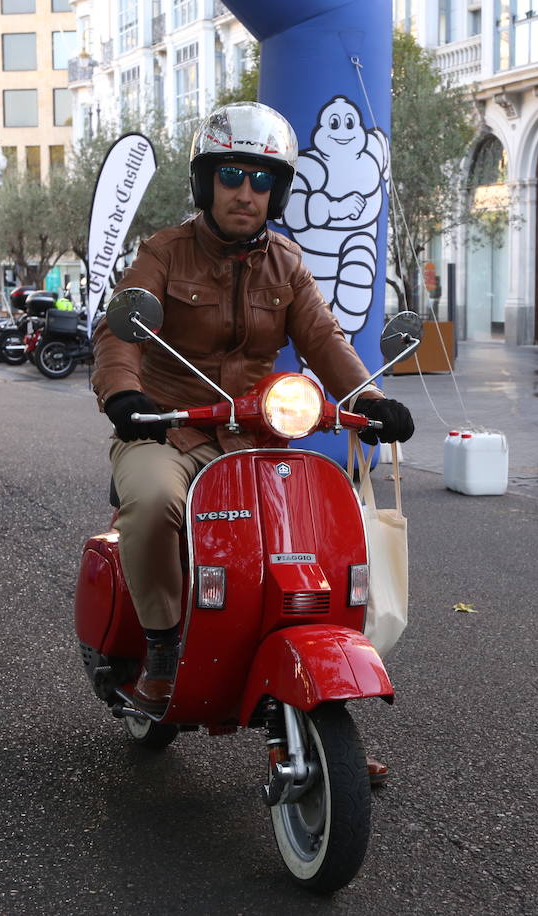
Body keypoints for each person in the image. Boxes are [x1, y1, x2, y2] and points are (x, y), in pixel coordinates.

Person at [91, 102, 414, 782]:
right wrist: (125, 396)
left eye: (262, 179)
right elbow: (119, 332)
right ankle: (159, 650)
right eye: (232, 175)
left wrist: (374, 400)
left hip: (255, 438)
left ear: (279, 191)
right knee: (153, 502)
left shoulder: (286, 264)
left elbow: (325, 340)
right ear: (207, 182)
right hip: (167, 431)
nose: (247, 192)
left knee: (317, 535)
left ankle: (318, 697)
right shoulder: (163, 252)